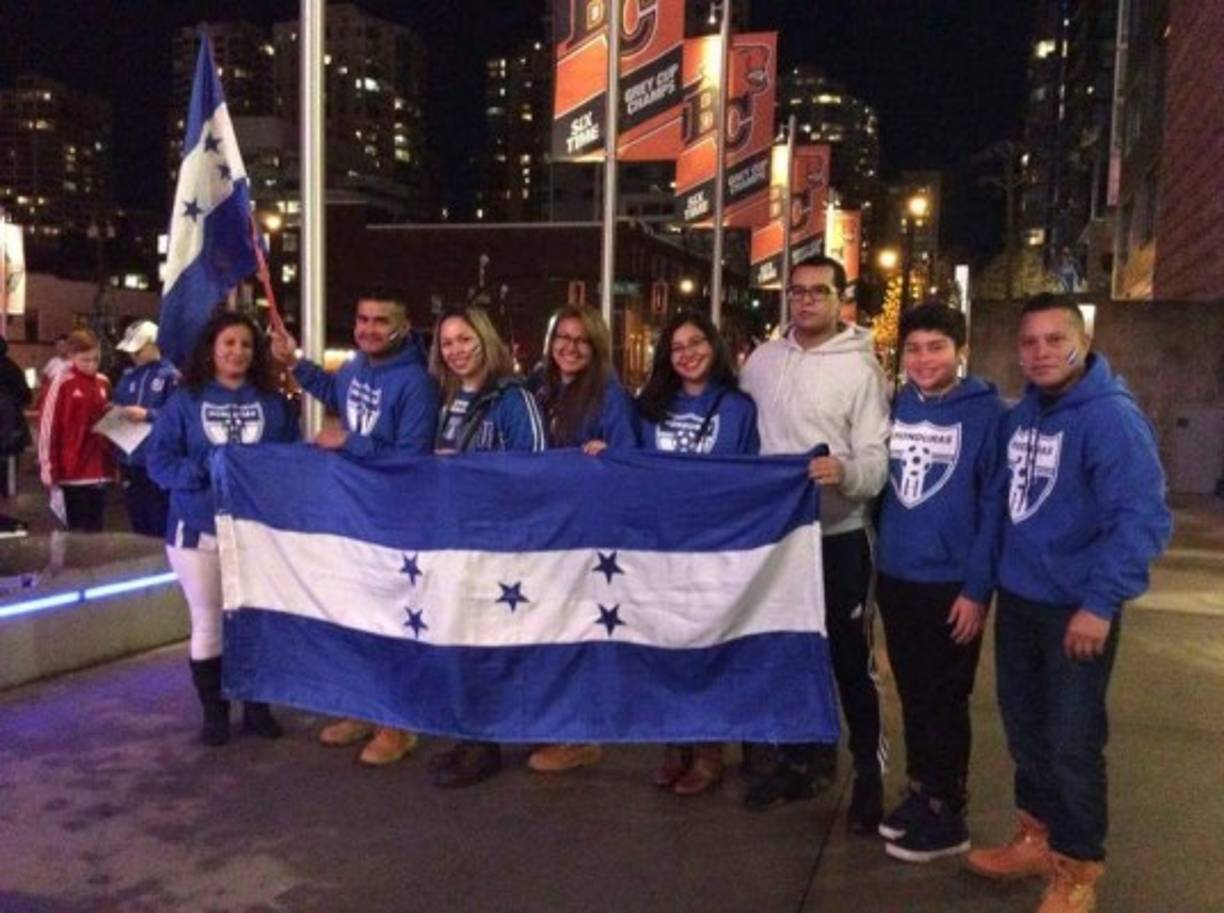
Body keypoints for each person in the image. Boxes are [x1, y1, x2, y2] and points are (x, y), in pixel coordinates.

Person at [965, 295, 1171, 913]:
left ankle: (1079, 869)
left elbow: (1141, 520)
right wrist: (981, 587)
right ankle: (1036, 837)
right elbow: (1002, 507)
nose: (1042, 353)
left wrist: (1100, 603)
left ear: (1082, 341)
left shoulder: (1111, 419)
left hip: (1075, 610)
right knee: (1027, 732)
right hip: (1021, 604)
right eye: (1030, 342)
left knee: (1072, 742)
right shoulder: (1022, 414)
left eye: (1056, 339)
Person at [739, 254, 890, 830]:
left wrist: (846, 472)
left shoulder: (861, 369)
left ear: (840, 298)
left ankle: (869, 777)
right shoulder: (761, 363)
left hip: (837, 536)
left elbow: (878, 458)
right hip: (777, 543)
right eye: (797, 292)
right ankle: (801, 762)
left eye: (819, 292)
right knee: (787, 656)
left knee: (851, 662)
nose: (806, 301)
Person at [271, 289, 439, 767]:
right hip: (353, 514)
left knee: (392, 621)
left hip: (397, 518)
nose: (368, 329)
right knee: (357, 617)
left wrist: (350, 441)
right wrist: (296, 363)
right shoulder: (353, 368)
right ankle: (365, 706)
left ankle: (399, 724)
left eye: (380, 321)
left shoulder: (416, 383)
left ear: (402, 327)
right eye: (362, 319)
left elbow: (412, 458)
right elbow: (332, 391)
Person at [873, 303, 1005, 862]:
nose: (924, 359)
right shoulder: (894, 405)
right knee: (912, 692)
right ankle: (923, 790)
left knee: (946, 697)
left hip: (952, 584)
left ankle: (950, 812)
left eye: (937, 347)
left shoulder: (989, 414)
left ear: (960, 351)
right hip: (898, 577)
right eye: (915, 349)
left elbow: (996, 507)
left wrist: (977, 590)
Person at [148, 311, 300, 747]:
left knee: (257, 622)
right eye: (229, 343)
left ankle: (257, 707)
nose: (237, 352)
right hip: (198, 532)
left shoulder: (273, 403)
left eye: (246, 345)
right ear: (212, 349)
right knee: (208, 622)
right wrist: (202, 472)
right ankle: (215, 713)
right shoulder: (185, 401)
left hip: (257, 533)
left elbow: (290, 461)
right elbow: (159, 461)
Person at [636, 309, 759, 796]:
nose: (688, 354)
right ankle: (674, 742)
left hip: (715, 549)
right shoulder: (648, 406)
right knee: (665, 648)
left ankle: (710, 749)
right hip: (660, 547)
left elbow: (749, 477)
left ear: (715, 346)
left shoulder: (738, 408)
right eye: (677, 347)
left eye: (697, 343)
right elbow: (634, 466)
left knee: (710, 648)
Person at [426, 303, 547, 788]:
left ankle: (489, 742)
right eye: (447, 342)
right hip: (458, 541)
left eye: (465, 339)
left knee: (492, 646)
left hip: (500, 545)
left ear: (486, 341)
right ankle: (470, 736)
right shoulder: (451, 400)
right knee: (463, 642)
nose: (456, 350)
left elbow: (536, 471)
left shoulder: (515, 401)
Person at [529, 304, 638, 774]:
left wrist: (608, 456)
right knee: (546, 629)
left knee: (578, 633)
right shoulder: (538, 389)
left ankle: (580, 734)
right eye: (562, 338)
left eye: (581, 341)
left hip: (586, 535)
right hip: (544, 533)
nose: (570, 348)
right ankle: (554, 721)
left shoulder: (610, 398)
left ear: (596, 348)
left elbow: (630, 461)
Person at [37, 329, 115, 532]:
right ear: (72, 357)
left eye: (95, 360)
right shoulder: (62, 383)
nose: (91, 365)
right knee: (75, 534)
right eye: (85, 360)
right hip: (71, 473)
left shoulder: (103, 382)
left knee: (96, 531)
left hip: (99, 472)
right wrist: (49, 470)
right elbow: (48, 426)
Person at [111, 320, 179, 537]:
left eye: (138, 350)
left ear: (154, 344)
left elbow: (178, 416)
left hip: (157, 460)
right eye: (132, 351)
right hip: (130, 459)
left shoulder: (170, 376)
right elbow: (118, 403)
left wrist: (148, 415)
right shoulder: (128, 376)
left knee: (159, 518)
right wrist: (114, 410)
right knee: (137, 519)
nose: (134, 356)